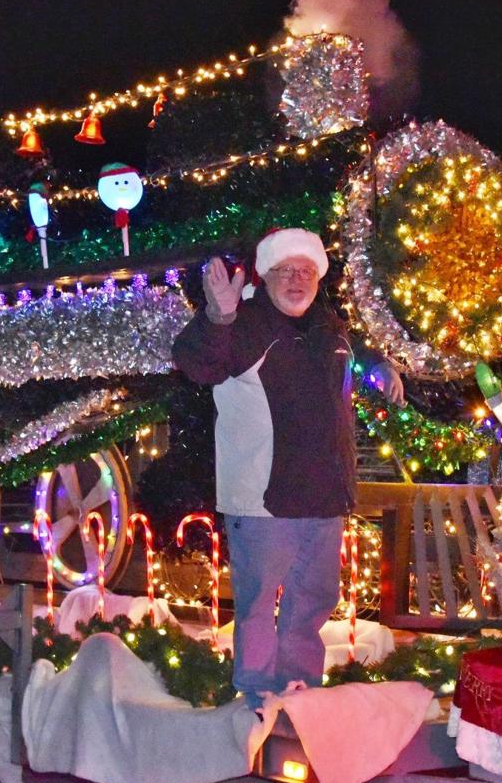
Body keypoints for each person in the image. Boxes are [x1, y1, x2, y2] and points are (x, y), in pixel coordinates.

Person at [172, 228, 403, 711]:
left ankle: (299, 693)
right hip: (262, 499)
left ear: (318, 278)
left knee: (312, 603)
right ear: (267, 275)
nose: (296, 280)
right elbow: (197, 363)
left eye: (306, 271)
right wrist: (218, 314)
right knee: (258, 606)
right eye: (285, 271)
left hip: (324, 498)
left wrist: (381, 365)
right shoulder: (244, 323)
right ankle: (256, 695)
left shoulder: (330, 327)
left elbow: (356, 355)